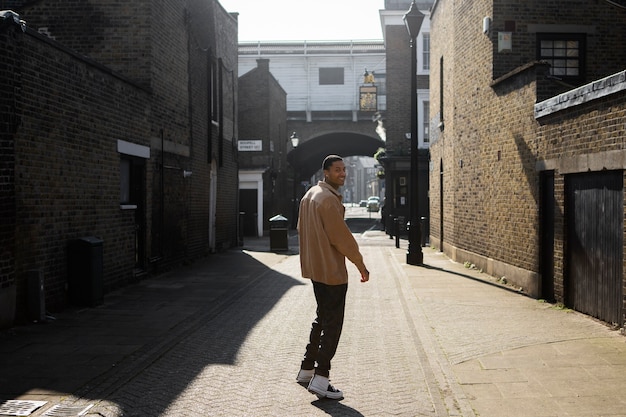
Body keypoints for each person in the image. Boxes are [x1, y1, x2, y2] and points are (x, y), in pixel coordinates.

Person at [295, 154, 370, 400]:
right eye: (337, 170)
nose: (343, 174)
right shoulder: (327, 199)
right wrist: (360, 265)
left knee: (322, 319)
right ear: (325, 172)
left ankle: (307, 369)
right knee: (333, 325)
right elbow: (342, 239)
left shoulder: (309, 196)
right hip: (332, 272)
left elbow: (300, 230)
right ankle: (321, 378)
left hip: (316, 270)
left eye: (344, 169)